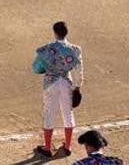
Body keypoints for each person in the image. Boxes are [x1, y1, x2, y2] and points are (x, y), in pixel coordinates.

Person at [32, 21, 83, 159]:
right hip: (67, 82)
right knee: (68, 113)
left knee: (49, 112)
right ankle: (67, 146)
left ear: (55, 32)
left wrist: (46, 68)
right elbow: (79, 70)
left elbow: (36, 68)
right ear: (67, 33)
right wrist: (77, 87)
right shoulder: (75, 49)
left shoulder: (47, 49)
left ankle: (47, 148)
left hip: (51, 83)